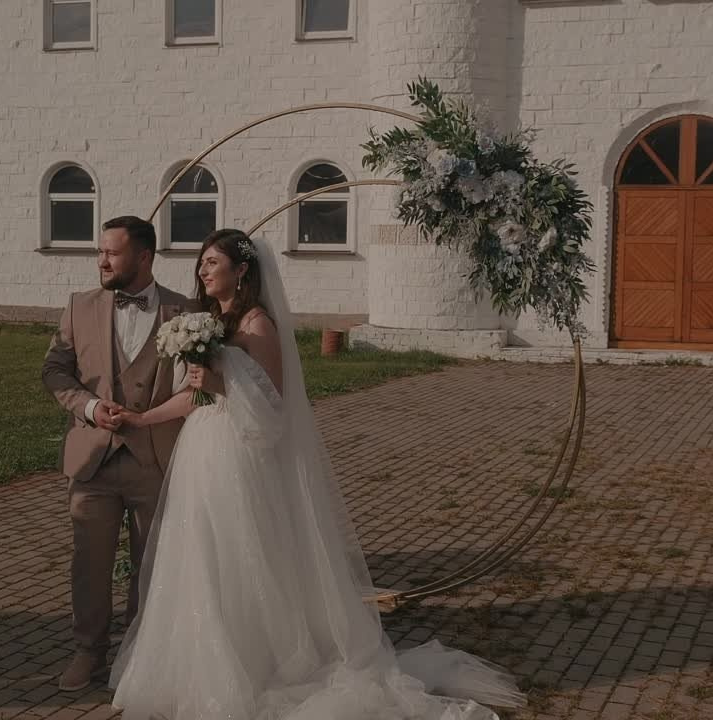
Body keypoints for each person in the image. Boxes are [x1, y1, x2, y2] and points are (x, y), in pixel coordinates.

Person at [109, 228, 527, 719]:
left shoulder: (258, 324)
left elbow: (273, 407)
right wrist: (143, 417)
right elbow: (192, 394)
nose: (203, 270)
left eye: (213, 262)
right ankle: (195, 666)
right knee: (199, 552)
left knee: (242, 554)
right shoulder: (207, 322)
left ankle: (254, 665)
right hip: (201, 450)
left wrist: (220, 379)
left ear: (241, 270)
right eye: (201, 262)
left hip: (239, 455)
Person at [41, 215, 198, 691]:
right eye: (101, 251)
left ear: (144, 257)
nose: (101, 260)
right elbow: (55, 371)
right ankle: (88, 652)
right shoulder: (79, 306)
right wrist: (89, 407)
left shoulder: (185, 312)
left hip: (156, 458)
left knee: (152, 564)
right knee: (88, 562)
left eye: (111, 252)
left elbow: (199, 385)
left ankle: (139, 654)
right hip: (94, 460)